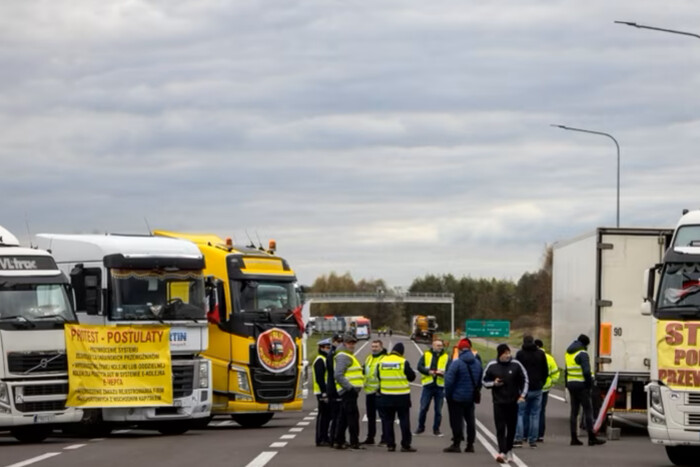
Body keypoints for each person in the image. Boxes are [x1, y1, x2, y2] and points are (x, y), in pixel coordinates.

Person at [483, 344, 528, 464]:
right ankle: (502, 451)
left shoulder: (516, 364)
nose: (508, 355)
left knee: (511, 428)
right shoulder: (492, 365)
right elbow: (483, 381)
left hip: (513, 402)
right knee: (500, 428)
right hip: (498, 402)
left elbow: (525, 379)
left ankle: (509, 450)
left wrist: (522, 395)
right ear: (500, 354)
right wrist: (494, 383)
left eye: (509, 353)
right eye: (505, 353)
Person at [565, 334, 606, 447]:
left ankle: (574, 438)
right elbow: (587, 372)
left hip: (571, 384)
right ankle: (591, 438)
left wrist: (567, 384)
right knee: (588, 410)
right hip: (582, 385)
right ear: (585, 344)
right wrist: (589, 385)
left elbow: (566, 370)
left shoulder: (569, 353)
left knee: (574, 412)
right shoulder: (582, 354)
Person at [443, 338, 482, 453]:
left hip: (457, 397)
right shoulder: (477, 363)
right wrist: (475, 391)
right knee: (470, 421)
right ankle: (470, 445)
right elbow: (480, 380)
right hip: (470, 397)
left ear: (460, 349)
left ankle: (456, 444)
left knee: (456, 421)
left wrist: (448, 395)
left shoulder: (457, 363)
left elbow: (449, 381)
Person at [377, 342, 417, 452]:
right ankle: (405, 445)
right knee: (404, 421)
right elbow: (412, 377)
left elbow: (378, 376)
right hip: (402, 396)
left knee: (388, 421)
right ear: (401, 352)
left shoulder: (382, 361)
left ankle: (390, 444)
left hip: (386, 396)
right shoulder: (403, 362)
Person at [513, 335, 549, 448]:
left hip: (523, 389)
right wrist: (541, 382)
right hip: (537, 387)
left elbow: (516, 370)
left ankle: (519, 438)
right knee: (535, 414)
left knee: (520, 413)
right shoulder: (540, 354)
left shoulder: (520, 354)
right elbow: (545, 371)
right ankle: (533, 440)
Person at [333, 333, 364, 450]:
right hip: (348, 392)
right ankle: (354, 442)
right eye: (350, 343)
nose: (352, 346)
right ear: (344, 343)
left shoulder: (346, 355)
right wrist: (350, 388)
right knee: (352, 417)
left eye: (353, 343)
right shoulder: (343, 356)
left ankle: (339, 441)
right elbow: (338, 374)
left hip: (348, 391)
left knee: (344, 418)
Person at [416, 338, 449, 436]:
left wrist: (443, 373)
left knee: (438, 410)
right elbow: (419, 366)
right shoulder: (426, 355)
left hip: (440, 386)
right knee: (423, 408)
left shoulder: (446, 357)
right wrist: (428, 372)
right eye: (438, 345)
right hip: (428, 385)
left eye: (441, 345)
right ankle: (420, 427)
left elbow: (451, 369)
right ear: (433, 346)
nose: (440, 347)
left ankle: (436, 429)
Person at [361, 339, 388, 445]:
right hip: (369, 392)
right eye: (372, 346)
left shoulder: (384, 359)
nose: (374, 348)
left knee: (383, 417)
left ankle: (385, 438)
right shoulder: (369, 358)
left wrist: (381, 389)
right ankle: (370, 437)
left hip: (380, 392)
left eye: (376, 346)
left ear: (381, 347)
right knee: (370, 416)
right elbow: (365, 371)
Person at [535, 339, 560, 442]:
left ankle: (529, 434)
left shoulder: (532, 356)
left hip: (534, 387)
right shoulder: (549, 358)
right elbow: (555, 373)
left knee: (531, 412)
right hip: (545, 388)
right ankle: (540, 435)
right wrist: (552, 383)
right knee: (541, 412)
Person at [313, 338, 333, 447]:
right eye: (326, 347)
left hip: (325, 391)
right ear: (321, 348)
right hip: (321, 392)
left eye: (329, 347)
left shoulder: (325, 359)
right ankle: (321, 438)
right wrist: (324, 392)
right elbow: (319, 378)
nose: (328, 349)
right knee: (323, 416)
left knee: (327, 416)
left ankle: (324, 437)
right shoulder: (320, 360)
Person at [326, 333, 344, 446]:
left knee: (337, 415)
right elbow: (335, 372)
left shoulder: (334, 353)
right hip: (334, 388)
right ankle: (334, 439)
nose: (340, 343)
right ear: (333, 341)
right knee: (337, 415)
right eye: (338, 341)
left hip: (334, 387)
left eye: (341, 341)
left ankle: (335, 438)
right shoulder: (333, 354)